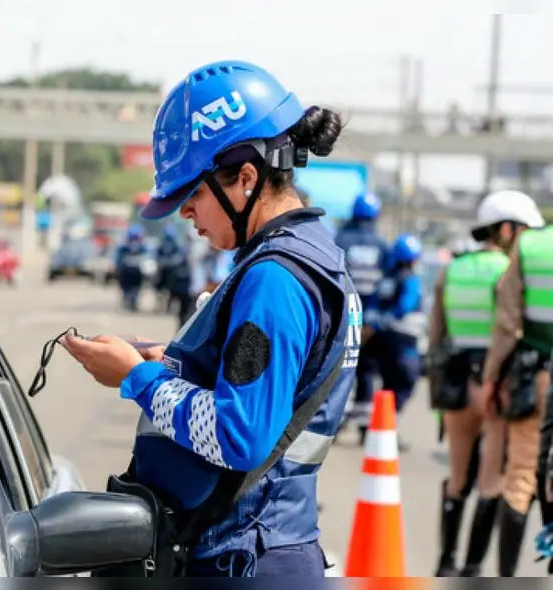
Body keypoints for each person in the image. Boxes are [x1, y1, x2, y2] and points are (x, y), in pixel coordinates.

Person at [61, 59, 357, 578]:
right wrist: (170, 362)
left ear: (245, 178)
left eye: (193, 193)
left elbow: (237, 435)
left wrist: (136, 377)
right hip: (269, 546)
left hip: (243, 556)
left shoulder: (275, 280)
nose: (184, 212)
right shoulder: (313, 256)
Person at [429, 190, 542, 576]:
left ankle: (445, 562)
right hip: (494, 387)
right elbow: (511, 331)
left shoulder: (452, 269)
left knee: (458, 478)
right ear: (507, 228)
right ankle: (473, 569)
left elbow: (435, 335)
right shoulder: (508, 271)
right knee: (492, 481)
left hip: (456, 385)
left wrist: (439, 395)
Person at [479, 190, 550, 576]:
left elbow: (507, 325)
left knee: (521, 476)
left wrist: (493, 379)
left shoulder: (531, 248)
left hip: (537, 374)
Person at [334, 193, 391, 438]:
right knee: (366, 371)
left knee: (338, 370)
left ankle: (334, 421)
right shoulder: (381, 245)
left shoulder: (342, 239)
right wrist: (374, 321)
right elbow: (387, 285)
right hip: (368, 322)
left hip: (343, 316)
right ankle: (364, 425)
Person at [366, 234, 426, 432]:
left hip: (382, 339)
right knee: (405, 383)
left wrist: (378, 321)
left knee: (386, 384)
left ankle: (381, 425)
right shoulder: (410, 279)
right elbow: (406, 305)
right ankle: (386, 425)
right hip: (403, 342)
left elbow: (373, 305)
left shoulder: (385, 278)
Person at [115, 225, 147, 311]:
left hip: (136, 270)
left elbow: (147, 258)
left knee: (136, 287)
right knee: (127, 286)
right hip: (128, 270)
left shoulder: (142, 247)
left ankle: (133, 301)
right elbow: (118, 259)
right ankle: (128, 300)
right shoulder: (124, 248)